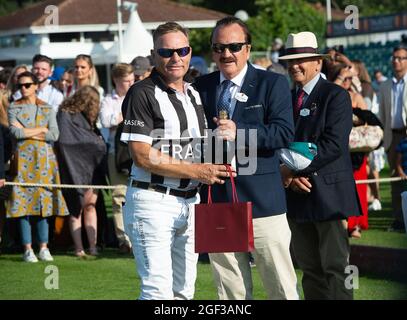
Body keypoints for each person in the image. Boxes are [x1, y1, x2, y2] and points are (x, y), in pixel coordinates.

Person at [120, 21, 234, 300]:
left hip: (191, 201)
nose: (175, 58)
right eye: (167, 52)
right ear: (154, 54)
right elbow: (142, 155)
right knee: (157, 292)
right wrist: (197, 169)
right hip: (152, 201)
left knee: (184, 292)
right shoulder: (142, 92)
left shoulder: (194, 93)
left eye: (181, 51)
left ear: (189, 51)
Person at [195, 16, 298, 300]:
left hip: (264, 203)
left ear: (248, 49)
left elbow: (283, 133)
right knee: (230, 291)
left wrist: (240, 133)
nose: (226, 53)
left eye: (234, 46)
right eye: (218, 47)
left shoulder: (272, 83)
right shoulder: (199, 87)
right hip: (217, 199)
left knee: (280, 286)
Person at [279, 31, 362, 300]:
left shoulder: (335, 95)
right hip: (297, 196)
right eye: (290, 61)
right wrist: (288, 176)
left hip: (329, 196)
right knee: (310, 269)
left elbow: (333, 145)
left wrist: (293, 171)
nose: (295, 66)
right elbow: (276, 142)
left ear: (318, 62)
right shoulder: (285, 99)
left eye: (301, 60)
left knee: (336, 267)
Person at [7, 71, 68, 262]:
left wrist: (28, 132)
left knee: (44, 204)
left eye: (27, 85)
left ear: (35, 86)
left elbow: (54, 135)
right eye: (20, 86)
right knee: (23, 205)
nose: (23, 89)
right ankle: (27, 249)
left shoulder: (47, 108)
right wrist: (41, 130)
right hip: (23, 162)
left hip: (44, 161)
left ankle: (43, 247)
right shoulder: (13, 108)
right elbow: (15, 134)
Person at [56, 86, 107, 257]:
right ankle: (79, 248)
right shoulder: (65, 113)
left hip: (92, 168)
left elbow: (93, 139)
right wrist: (95, 143)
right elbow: (66, 141)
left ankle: (92, 247)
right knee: (75, 208)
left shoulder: (89, 118)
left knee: (90, 207)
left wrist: (96, 143)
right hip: (72, 167)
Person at [100, 63, 135, 253]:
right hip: (116, 154)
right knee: (118, 197)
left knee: (138, 196)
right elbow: (107, 121)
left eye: (132, 80)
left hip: (139, 153)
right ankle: (123, 239)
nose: (130, 84)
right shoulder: (108, 100)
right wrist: (127, 114)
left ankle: (137, 235)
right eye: (126, 81)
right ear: (116, 81)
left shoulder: (139, 94)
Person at [378, 46, 407, 232]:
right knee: (396, 179)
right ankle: (399, 220)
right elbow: (382, 115)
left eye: (401, 58)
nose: (397, 61)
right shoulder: (385, 85)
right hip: (393, 136)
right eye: (395, 58)